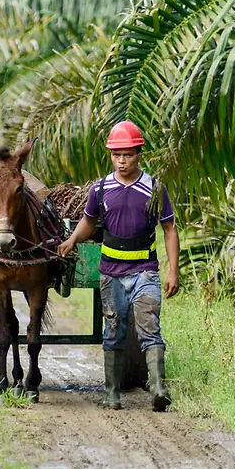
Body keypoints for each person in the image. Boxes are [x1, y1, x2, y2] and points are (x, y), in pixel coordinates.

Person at [58, 121, 180, 412]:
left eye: (127, 154)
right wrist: (72, 240)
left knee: (149, 326)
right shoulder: (100, 189)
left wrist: (173, 270)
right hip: (111, 274)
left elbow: (170, 229)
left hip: (145, 271)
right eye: (116, 155)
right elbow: (89, 221)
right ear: (110, 156)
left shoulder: (154, 189)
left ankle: (159, 388)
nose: (122, 161)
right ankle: (112, 393)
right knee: (113, 330)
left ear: (139, 154)